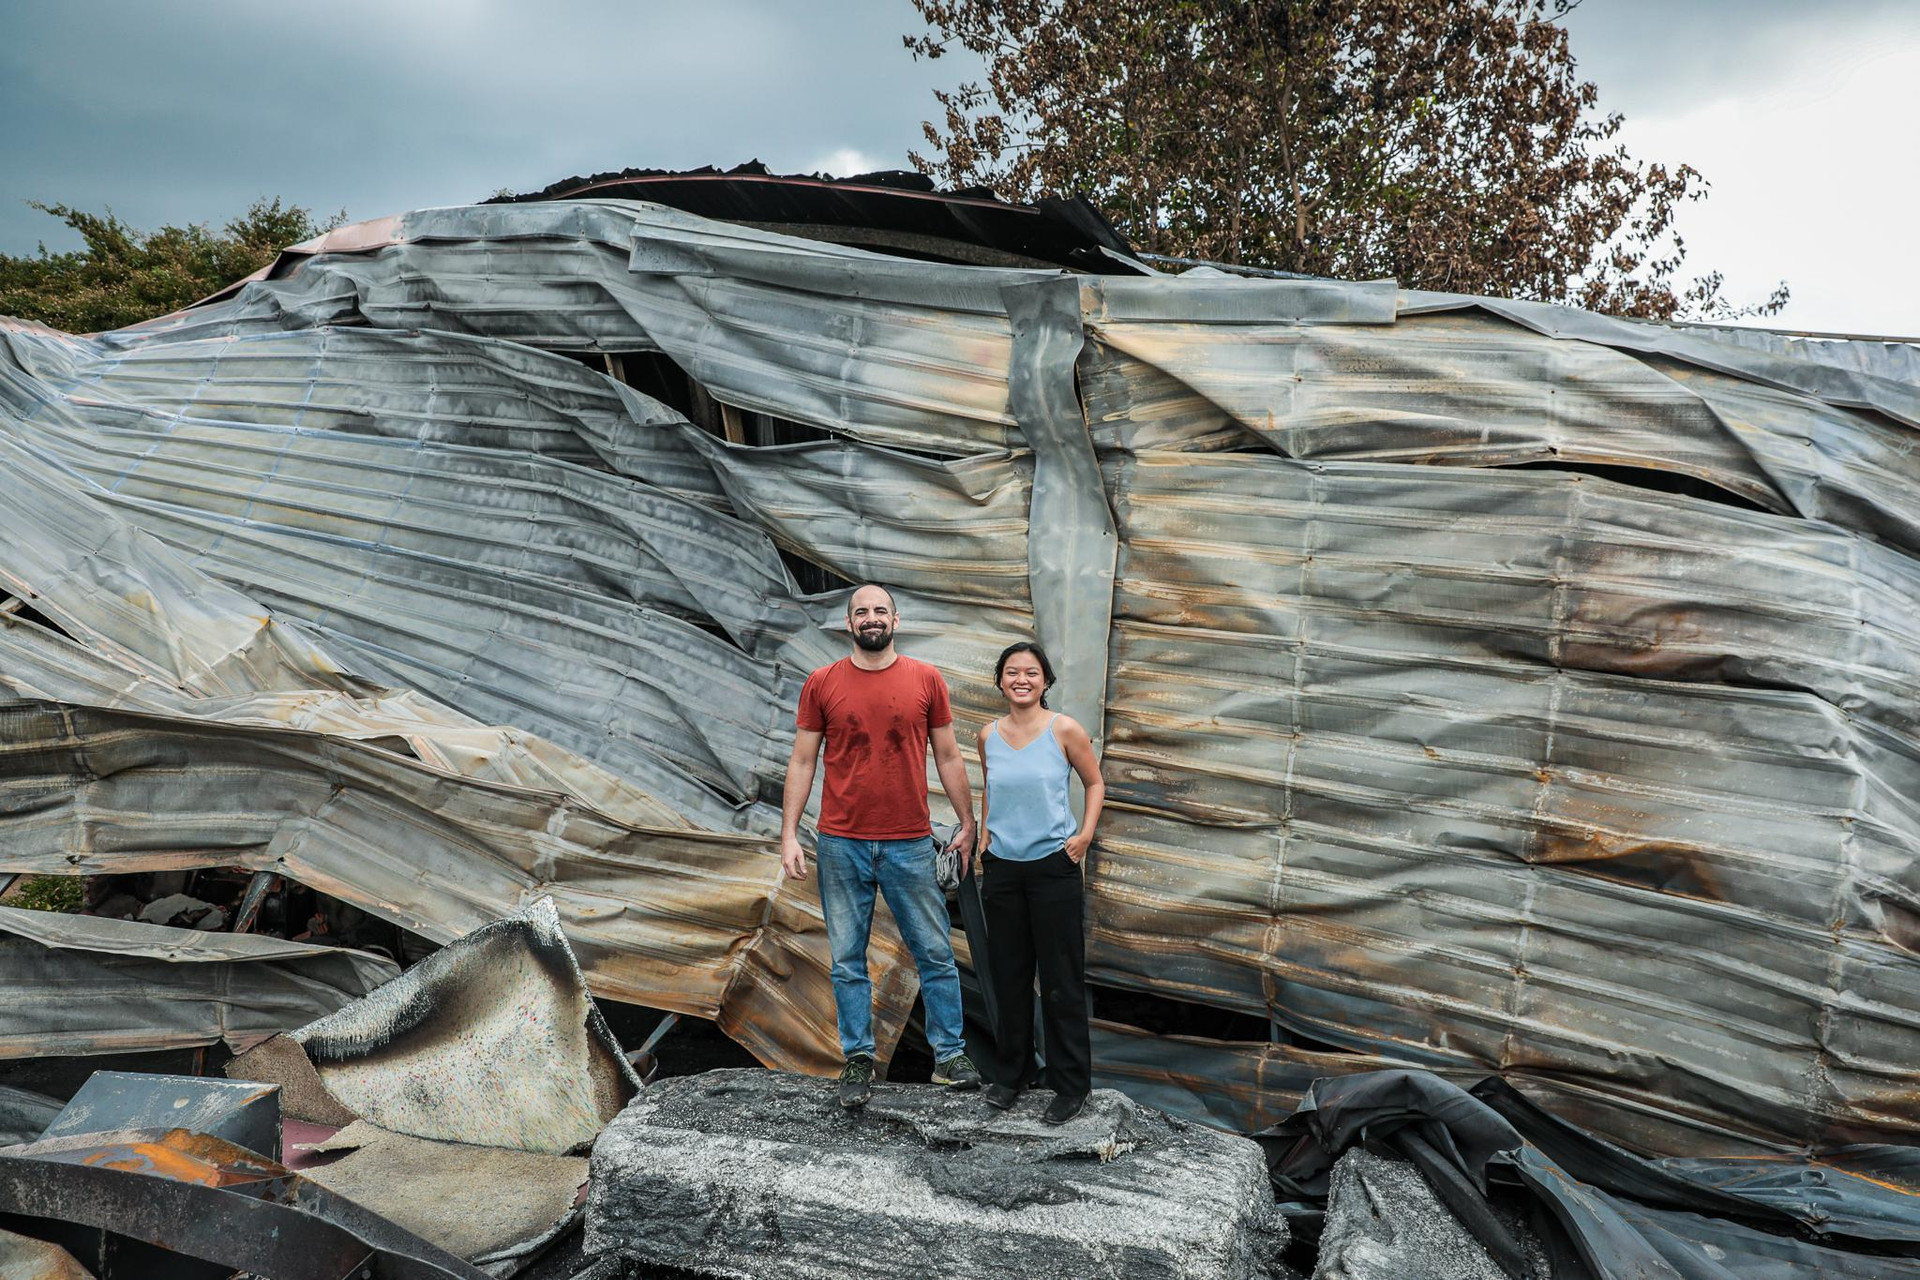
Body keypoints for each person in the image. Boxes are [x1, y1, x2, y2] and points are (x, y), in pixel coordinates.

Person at [780, 583, 983, 1108]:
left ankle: (949, 1057)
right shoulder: (822, 683)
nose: (871, 618)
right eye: (861, 612)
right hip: (840, 842)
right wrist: (788, 834)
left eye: (880, 611)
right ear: (849, 624)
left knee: (935, 953)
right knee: (848, 959)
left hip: (910, 843)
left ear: (896, 619)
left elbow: (949, 756)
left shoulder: (925, 679)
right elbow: (803, 762)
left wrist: (968, 821)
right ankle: (858, 1060)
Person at [976, 641, 1105, 1124]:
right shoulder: (987, 735)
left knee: (1059, 980)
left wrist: (1084, 836)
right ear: (1001, 680)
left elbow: (1095, 783)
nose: (1021, 679)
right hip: (1004, 870)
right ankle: (1012, 1075)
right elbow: (991, 787)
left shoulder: (1063, 729)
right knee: (1009, 977)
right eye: (1012, 672)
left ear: (1045, 681)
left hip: (1054, 867)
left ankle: (1070, 1085)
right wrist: (986, 838)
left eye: (1031, 672)